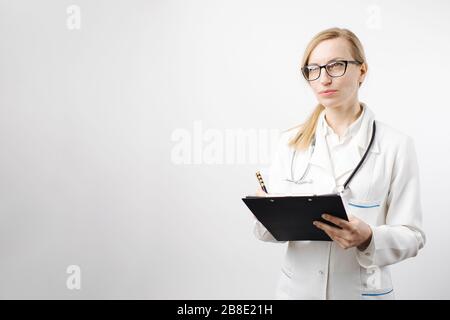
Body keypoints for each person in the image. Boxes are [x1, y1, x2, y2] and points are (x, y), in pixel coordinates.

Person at [252, 27, 426, 300]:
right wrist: (266, 212)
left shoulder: (396, 145)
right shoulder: (289, 142)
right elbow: (269, 235)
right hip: (297, 292)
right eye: (314, 69)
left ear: (362, 71)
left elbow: (413, 236)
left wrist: (369, 238)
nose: (323, 78)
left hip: (362, 293)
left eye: (335, 66)